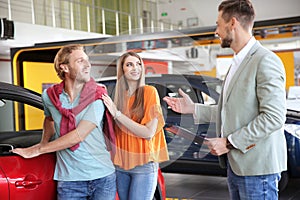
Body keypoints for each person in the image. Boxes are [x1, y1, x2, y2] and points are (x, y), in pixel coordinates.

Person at [163, 0, 287, 199]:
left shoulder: (265, 60)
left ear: (233, 23)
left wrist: (229, 142)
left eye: (218, 24)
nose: (216, 31)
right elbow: (232, 110)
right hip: (237, 165)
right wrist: (192, 108)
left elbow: (273, 117)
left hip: (257, 169)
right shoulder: (237, 63)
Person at [12, 44, 116, 200]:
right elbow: (49, 119)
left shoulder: (97, 95)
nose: (88, 65)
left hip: (102, 176)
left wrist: (38, 149)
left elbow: (79, 135)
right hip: (69, 180)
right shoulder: (49, 96)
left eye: (87, 60)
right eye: (80, 61)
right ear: (65, 68)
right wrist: (43, 141)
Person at [101, 51, 169, 200]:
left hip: (143, 165)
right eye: (129, 64)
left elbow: (148, 132)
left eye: (138, 64)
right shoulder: (119, 97)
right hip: (120, 165)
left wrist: (117, 114)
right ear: (122, 70)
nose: (135, 68)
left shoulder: (150, 92)